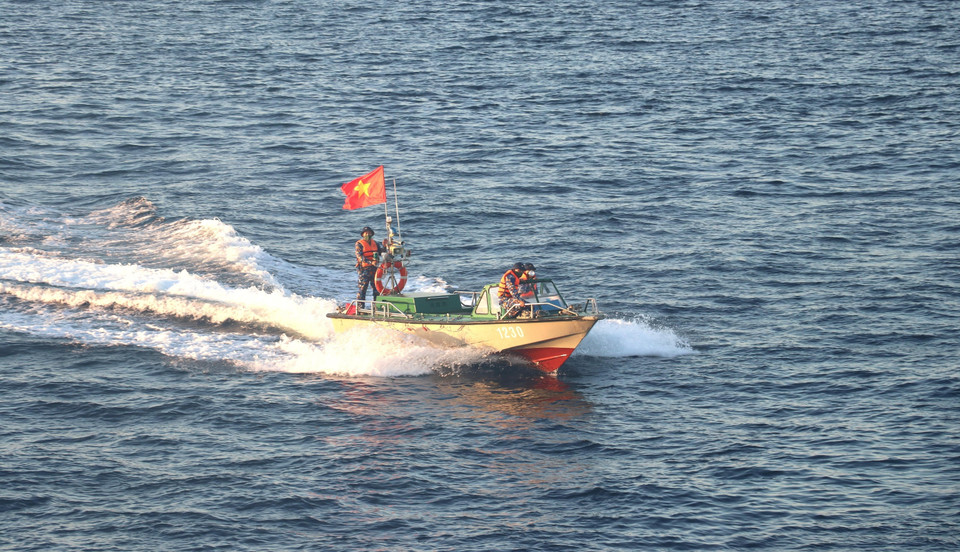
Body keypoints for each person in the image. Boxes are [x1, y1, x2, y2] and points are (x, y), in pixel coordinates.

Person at [355, 226, 384, 303]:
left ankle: (376, 306)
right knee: (362, 288)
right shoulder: (359, 244)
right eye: (366, 233)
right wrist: (370, 262)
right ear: (363, 234)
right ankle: (360, 308)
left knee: (377, 288)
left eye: (369, 233)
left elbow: (381, 252)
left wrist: (386, 246)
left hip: (374, 268)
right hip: (364, 269)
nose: (368, 234)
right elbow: (360, 256)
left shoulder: (375, 243)